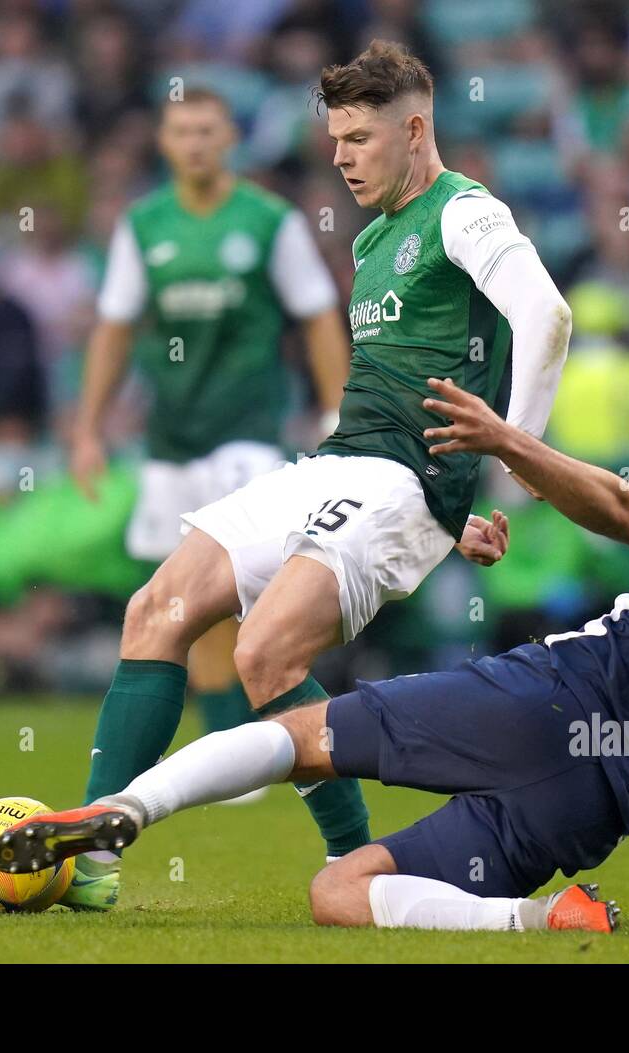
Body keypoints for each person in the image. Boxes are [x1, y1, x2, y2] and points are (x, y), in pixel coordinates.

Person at [0, 390, 629, 935]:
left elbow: (623, 508)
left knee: (299, 735)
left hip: (541, 701)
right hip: (587, 808)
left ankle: (124, 807)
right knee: (338, 893)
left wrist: (508, 443)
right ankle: (541, 919)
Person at [56, 40, 573, 909]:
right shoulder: (374, 237)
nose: (340, 158)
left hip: (406, 481)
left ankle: (358, 864)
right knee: (158, 608)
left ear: (415, 129)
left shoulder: (462, 211)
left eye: (360, 140)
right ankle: (89, 852)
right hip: (337, 460)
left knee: (264, 652)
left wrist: (510, 464)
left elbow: (546, 314)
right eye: (334, 140)